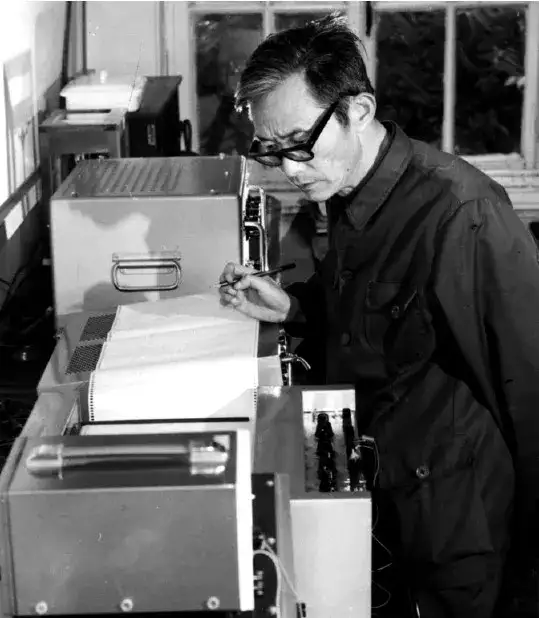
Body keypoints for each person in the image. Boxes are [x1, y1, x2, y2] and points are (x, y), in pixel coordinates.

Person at [219, 14, 539, 618]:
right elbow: (375, 319)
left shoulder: (464, 216)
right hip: (385, 493)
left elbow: (530, 394)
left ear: (359, 110)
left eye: (299, 143)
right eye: (271, 149)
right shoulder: (345, 189)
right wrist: (294, 307)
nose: (289, 169)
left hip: (456, 524)